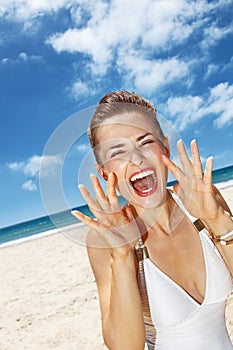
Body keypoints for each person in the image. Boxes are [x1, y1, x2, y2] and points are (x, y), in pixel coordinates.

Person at [71, 90, 233, 350]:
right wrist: (122, 257)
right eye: (117, 152)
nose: (136, 158)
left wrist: (219, 221)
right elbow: (125, 346)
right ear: (104, 174)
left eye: (145, 142)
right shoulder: (105, 240)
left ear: (165, 148)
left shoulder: (202, 203)